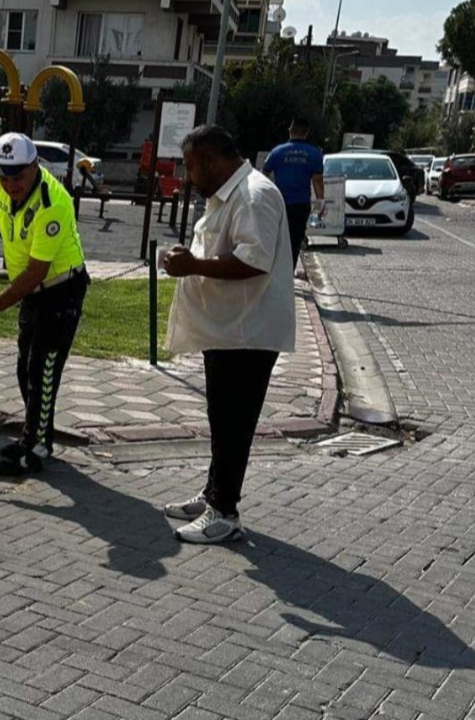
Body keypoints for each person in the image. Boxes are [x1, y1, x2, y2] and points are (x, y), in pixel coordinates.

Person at [160, 125, 295, 544]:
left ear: (212, 161)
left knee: (234, 422)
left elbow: (253, 261)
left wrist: (194, 266)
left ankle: (225, 513)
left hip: (248, 333)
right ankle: (214, 493)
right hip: (228, 329)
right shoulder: (229, 193)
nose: (187, 177)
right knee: (221, 418)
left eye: (190, 167)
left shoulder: (254, 194)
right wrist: (188, 258)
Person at [0, 132, 88, 477]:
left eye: (18, 177)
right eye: (5, 176)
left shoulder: (53, 203)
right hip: (31, 291)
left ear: (35, 167)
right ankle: (38, 436)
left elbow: (36, 272)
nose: (10, 185)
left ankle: (34, 446)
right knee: (25, 367)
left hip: (60, 289)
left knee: (42, 368)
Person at [262, 118, 325, 269]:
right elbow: (317, 180)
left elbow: (263, 175)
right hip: (300, 204)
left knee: (276, 238)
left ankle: (273, 270)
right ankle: (288, 273)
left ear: (290, 131)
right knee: (294, 240)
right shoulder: (314, 154)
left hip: (278, 203)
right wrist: (320, 202)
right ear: (307, 133)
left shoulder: (277, 152)